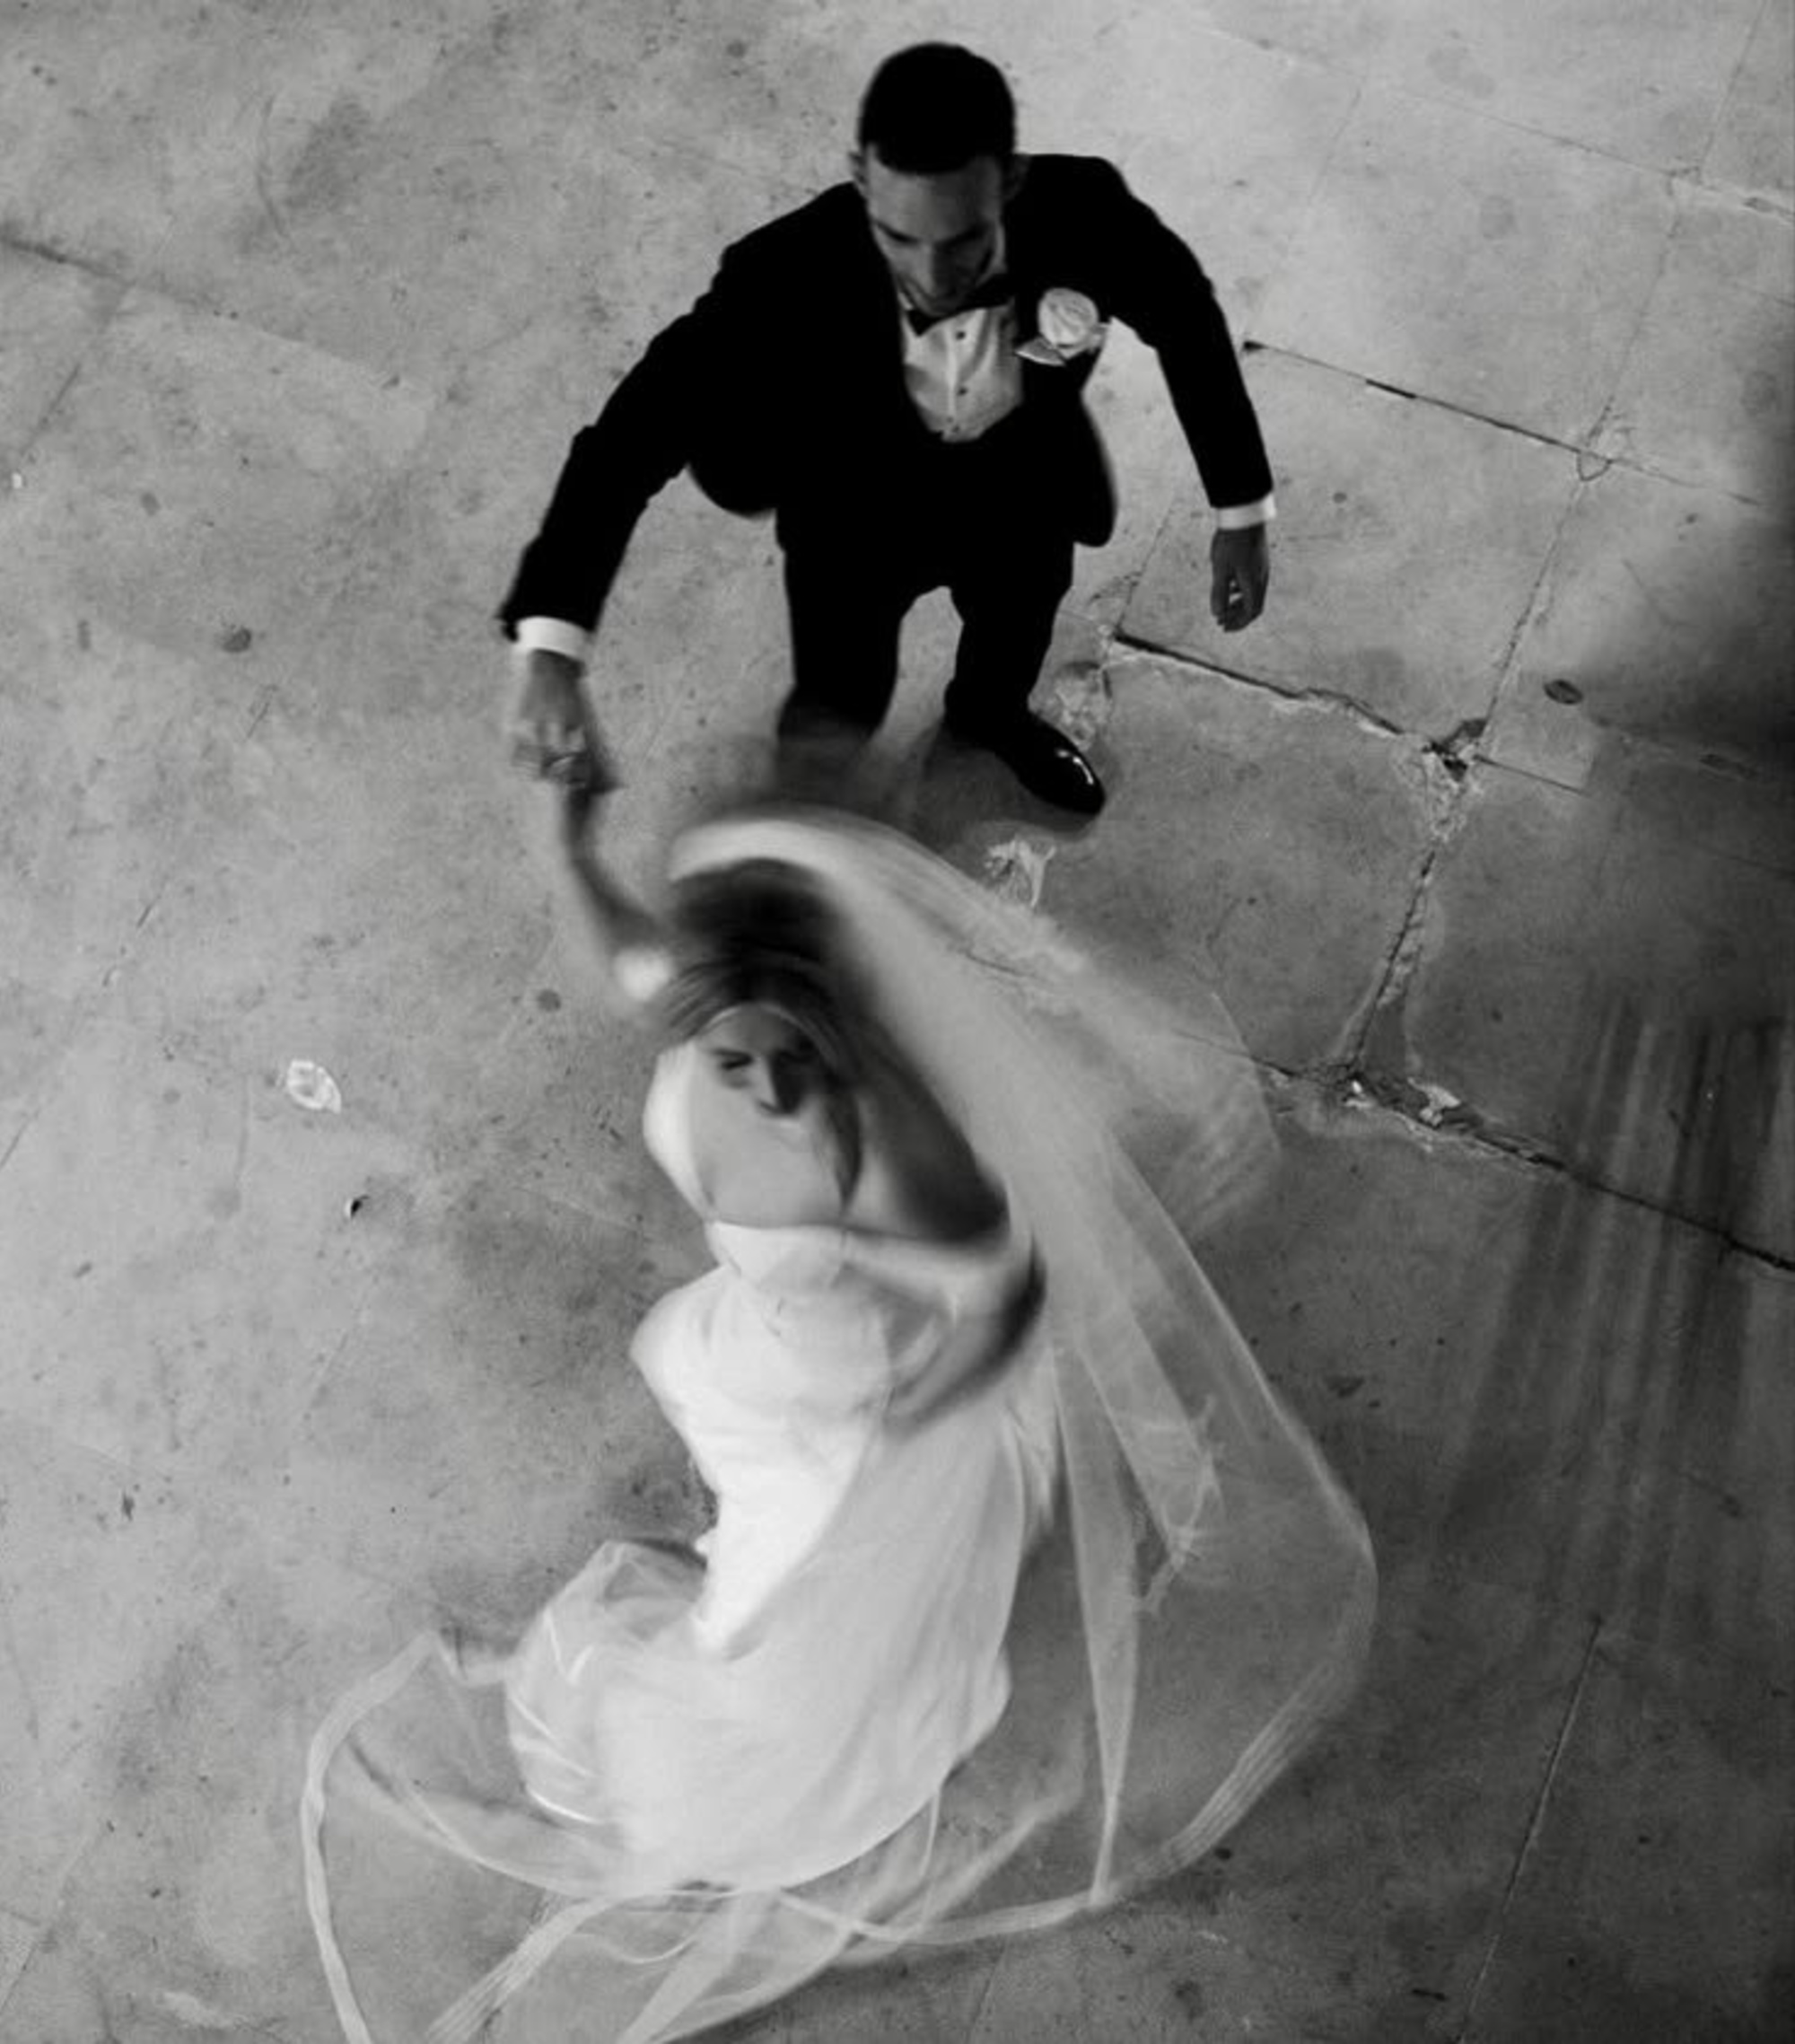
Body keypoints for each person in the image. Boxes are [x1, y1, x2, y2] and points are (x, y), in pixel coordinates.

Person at [302, 793, 1372, 2044]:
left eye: (791, 1040)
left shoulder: (885, 1128)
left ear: (831, 998)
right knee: (747, 1530)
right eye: (737, 1024)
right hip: (770, 1351)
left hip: (854, 1396)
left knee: (778, 1618)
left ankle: (650, 1834)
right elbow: (628, 960)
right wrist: (565, 840)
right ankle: (649, 1647)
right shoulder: (715, 1006)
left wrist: (908, 1433)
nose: (756, 1068)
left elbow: (1003, 1292)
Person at [503, 41, 1276, 818]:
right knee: (838, 700)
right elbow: (629, 438)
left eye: (963, 241)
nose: (935, 280)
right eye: (901, 238)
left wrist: (1240, 508)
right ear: (861, 177)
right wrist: (551, 646)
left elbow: (1186, 317)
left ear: (1009, 181)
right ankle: (813, 811)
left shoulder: (1083, 209)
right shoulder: (782, 272)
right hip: (854, 523)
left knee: (1013, 640)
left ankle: (989, 717)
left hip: (1023, 497)